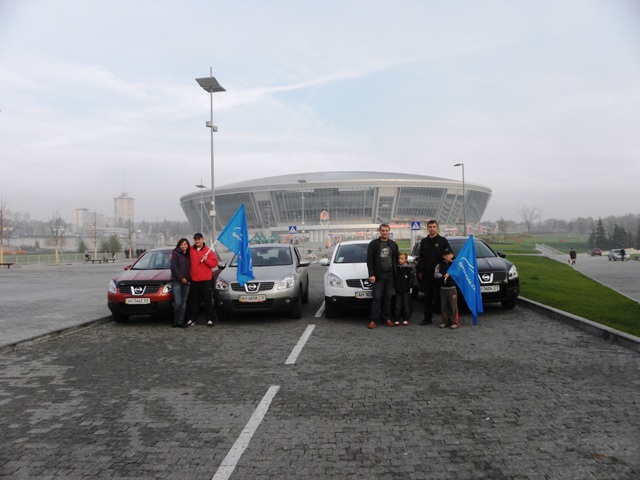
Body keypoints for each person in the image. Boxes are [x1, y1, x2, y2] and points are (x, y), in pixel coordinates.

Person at [416, 219, 451, 325]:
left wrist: (447, 269)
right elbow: (421, 257)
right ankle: (427, 318)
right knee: (428, 297)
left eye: (434, 227)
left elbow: (450, 255)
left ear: (437, 228)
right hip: (427, 273)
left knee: (442, 296)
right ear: (427, 228)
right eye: (430, 227)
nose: (432, 229)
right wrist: (420, 271)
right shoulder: (424, 241)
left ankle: (446, 319)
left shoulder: (443, 241)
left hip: (440, 273)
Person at [366, 223, 400, 329]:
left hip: (390, 275)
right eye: (383, 230)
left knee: (388, 298)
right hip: (378, 275)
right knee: (377, 298)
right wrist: (371, 274)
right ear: (380, 231)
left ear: (389, 231)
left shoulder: (393, 244)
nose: (385, 232)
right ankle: (373, 320)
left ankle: (387, 318)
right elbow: (369, 261)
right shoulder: (373, 244)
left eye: (386, 230)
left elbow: (397, 259)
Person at [188, 233, 219, 327]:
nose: (197, 241)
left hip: (206, 280)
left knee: (207, 301)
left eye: (199, 239)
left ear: (202, 239)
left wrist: (206, 260)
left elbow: (214, 264)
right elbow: (180, 251)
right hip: (194, 280)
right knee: (193, 301)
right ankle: (193, 319)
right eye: (195, 239)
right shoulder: (191, 249)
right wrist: (172, 255)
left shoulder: (208, 251)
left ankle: (210, 319)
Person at [434, 248, 459, 329]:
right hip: (443, 288)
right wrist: (442, 275)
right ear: (443, 256)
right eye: (445, 255)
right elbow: (435, 274)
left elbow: (458, 274)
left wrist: (450, 274)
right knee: (444, 306)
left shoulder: (455, 264)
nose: (447, 256)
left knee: (453, 306)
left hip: (452, 288)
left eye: (449, 254)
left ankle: (454, 322)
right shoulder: (440, 264)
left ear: (452, 255)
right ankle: (445, 321)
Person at [170, 238, 191, 328]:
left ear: (188, 245)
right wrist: (181, 278)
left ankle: (181, 321)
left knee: (184, 302)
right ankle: (175, 320)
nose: (183, 246)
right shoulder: (175, 254)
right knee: (178, 302)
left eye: (185, 244)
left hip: (187, 282)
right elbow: (173, 267)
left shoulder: (189, 254)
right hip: (176, 281)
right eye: (181, 244)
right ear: (179, 245)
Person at [393, 252, 415, 326]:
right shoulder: (396, 267)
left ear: (406, 259)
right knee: (397, 305)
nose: (400, 260)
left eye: (402, 259)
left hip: (406, 290)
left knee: (406, 305)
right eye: (399, 258)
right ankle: (397, 319)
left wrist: (409, 286)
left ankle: (406, 319)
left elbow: (412, 278)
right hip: (398, 289)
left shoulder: (409, 268)